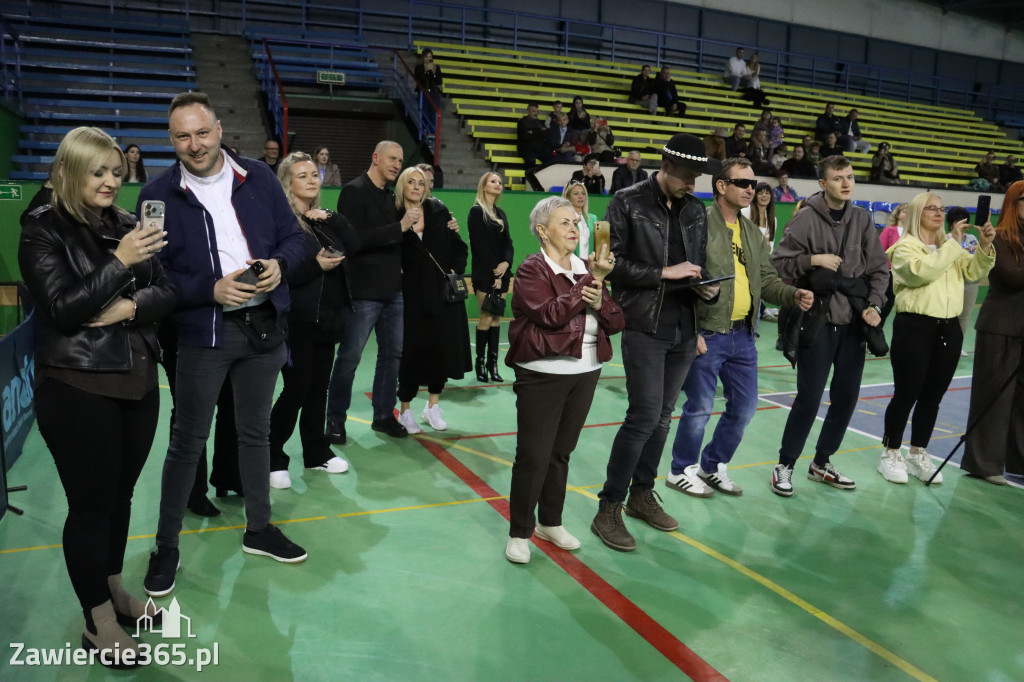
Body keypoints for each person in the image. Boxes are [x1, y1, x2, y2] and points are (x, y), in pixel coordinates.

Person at [140, 92, 311, 597]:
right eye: (183, 136)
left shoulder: (258, 176)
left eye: (203, 131)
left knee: (255, 434)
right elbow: (153, 276)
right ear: (171, 141)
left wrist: (281, 264)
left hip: (264, 329)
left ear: (219, 128)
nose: (195, 144)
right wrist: (207, 290)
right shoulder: (155, 197)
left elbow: (295, 239)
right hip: (202, 334)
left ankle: (258, 528)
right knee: (187, 442)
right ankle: (166, 547)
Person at [19, 126, 175, 666]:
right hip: (77, 384)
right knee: (90, 508)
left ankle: (112, 592)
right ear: (69, 172)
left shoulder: (129, 223)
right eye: (99, 172)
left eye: (116, 171)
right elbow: (62, 309)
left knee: (122, 499)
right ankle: (98, 620)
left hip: (136, 378)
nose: (112, 181)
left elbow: (168, 290)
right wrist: (121, 264)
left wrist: (131, 306)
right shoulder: (42, 228)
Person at [591, 133, 720, 552]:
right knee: (643, 416)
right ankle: (608, 506)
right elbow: (613, 265)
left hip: (684, 327)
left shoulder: (696, 211)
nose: (692, 185)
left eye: (696, 178)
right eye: (686, 177)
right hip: (644, 325)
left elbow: (694, 267)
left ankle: (641, 495)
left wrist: (703, 289)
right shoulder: (626, 201)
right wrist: (667, 272)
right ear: (664, 168)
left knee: (663, 417)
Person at [666, 159, 812, 498]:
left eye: (753, 184)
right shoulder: (699, 221)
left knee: (744, 408)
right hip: (708, 332)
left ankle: (712, 465)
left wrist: (792, 294)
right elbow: (682, 277)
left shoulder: (751, 232)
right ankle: (680, 469)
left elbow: (768, 280)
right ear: (721, 186)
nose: (751, 189)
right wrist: (693, 330)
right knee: (699, 407)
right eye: (743, 183)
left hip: (744, 335)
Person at [504, 197, 623, 563]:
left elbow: (616, 322)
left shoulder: (585, 269)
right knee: (533, 456)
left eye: (576, 222)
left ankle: (550, 522)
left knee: (560, 453)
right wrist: (593, 280)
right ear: (542, 230)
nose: (574, 229)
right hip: (543, 373)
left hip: (585, 371)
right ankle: (519, 532)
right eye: (564, 223)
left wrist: (598, 292)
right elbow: (551, 315)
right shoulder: (531, 269)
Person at [769, 155, 889, 497]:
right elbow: (778, 263)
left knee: (846, 399)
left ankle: (822, 462)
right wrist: (813, 260)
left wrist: (875, 305)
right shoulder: (806, 218)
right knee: (808, 398)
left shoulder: (863, 219)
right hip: (817, 323)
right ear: (823, 184)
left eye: (850, 177)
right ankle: (785, 464)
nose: (846, 183)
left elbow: (880, 270)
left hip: (853, 325)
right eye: (838, 178)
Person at [879, 193, 995, 484]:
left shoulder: (948, 247)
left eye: (941, 209)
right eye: (931, 208)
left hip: (949, 328)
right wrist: (953, 245)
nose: (938, 213)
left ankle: (918, 452)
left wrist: (984, 245)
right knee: (906, 393)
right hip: (914, 327)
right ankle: (891, 453)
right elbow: (921, 273)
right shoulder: (904, 247)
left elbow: (974, 272)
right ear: (917, 212)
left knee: (932, 397)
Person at [267, 152, 355, 489]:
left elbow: (355, 245)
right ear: (287, 183)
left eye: (314, 175)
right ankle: (273, 456)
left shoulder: (322, 220)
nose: (311, 180)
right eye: (302, 175)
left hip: (328, 319)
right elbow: (282, 273)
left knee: (318, 389)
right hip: (297, 320)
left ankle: (317, 452)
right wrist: (316, 266)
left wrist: (333, 216)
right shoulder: (283, 223)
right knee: (296, 389)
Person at [325, 140, 419, 443]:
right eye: (392, 158)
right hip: (364, 292)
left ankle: (382, 416)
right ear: (375, 157)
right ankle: (335, 420)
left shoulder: (391, 197)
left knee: (392, 356)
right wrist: (400, 227)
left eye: (400, 160)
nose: (396, 165)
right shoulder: (353, 191)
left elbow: (398, 239)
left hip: (393, 290)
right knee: (349, 358)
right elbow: (354, 240)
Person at [392, 167, 472, 434]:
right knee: (411, 352)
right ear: (402, 185)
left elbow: (460, 248)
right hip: (410, 294)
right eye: (411, 182)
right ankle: (405, 410)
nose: (416, 187)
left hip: (441, 295)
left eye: (421, 183)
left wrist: (454, 271)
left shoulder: (439, 211)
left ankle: (432, 406)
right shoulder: (393, 215)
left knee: (441, 349)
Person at [962, 181, 1024, 485]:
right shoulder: (998, 237)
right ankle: (983, 463)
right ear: (1015, 202)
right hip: (999, 327)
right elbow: (1011, 277)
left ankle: (1019, 462)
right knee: (993, 398)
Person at [468, 171, 513, 383]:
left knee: (497, 319)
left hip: (502, 273)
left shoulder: (502, 213)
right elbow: (480, 246)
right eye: (493, 181)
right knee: (486, 316)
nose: (498, 184)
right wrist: (494, 271)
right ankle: (479, 364)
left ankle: (492, 365)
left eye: (500, 182)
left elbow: (508, 244)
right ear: (484, 186)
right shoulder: (476, 212)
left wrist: (506, 263)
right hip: (484, 273)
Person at [945, 206, 981, 356]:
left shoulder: (972, 239)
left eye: (965, 221)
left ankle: (957, 344)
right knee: (947, 314)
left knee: (964, 315)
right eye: (958, 221)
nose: (962, 225)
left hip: (970, 283)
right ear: (951, 223)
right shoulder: (946, 239)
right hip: (951, 282)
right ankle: (945, 343)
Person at [878, 202, 909, 321]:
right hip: (891, 273)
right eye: (905, 212)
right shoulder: (889, 230)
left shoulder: (913, 232)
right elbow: (880, 251)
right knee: (886, 307)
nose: (908, 215)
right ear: (898, 214)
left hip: (907, 275)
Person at [563, 180, 596, 257]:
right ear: (568, 197)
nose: (580, 196)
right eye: (576, 194)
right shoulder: (563, 218)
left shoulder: (593, 218)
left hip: (588, 265)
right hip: (570, 263)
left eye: (583, 193)